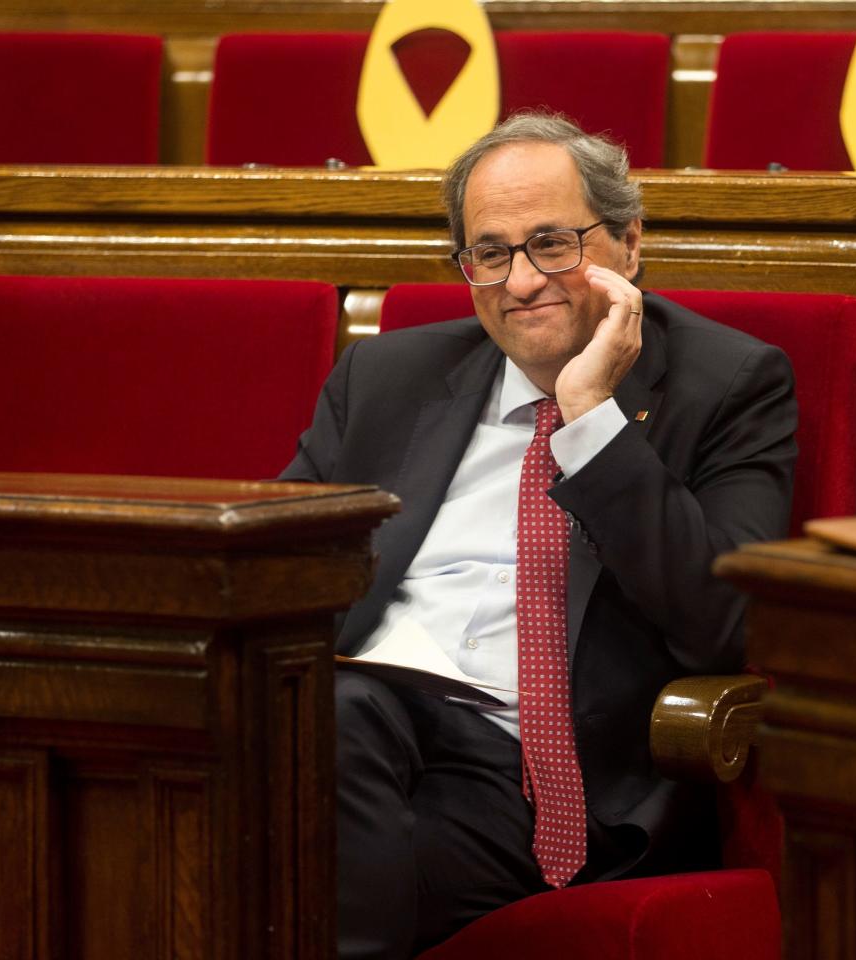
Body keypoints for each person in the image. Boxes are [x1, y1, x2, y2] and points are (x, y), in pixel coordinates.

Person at [279, 111, 797, 959]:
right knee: (310, 734)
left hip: (535, 780)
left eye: (553, 243)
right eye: (490, 252)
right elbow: (277, 562)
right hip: (352, 732)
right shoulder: (385, 377)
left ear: (629, 244)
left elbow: (722, 621)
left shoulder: (731, 384)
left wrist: (590, 417)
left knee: (271, 852)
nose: (521, 282)